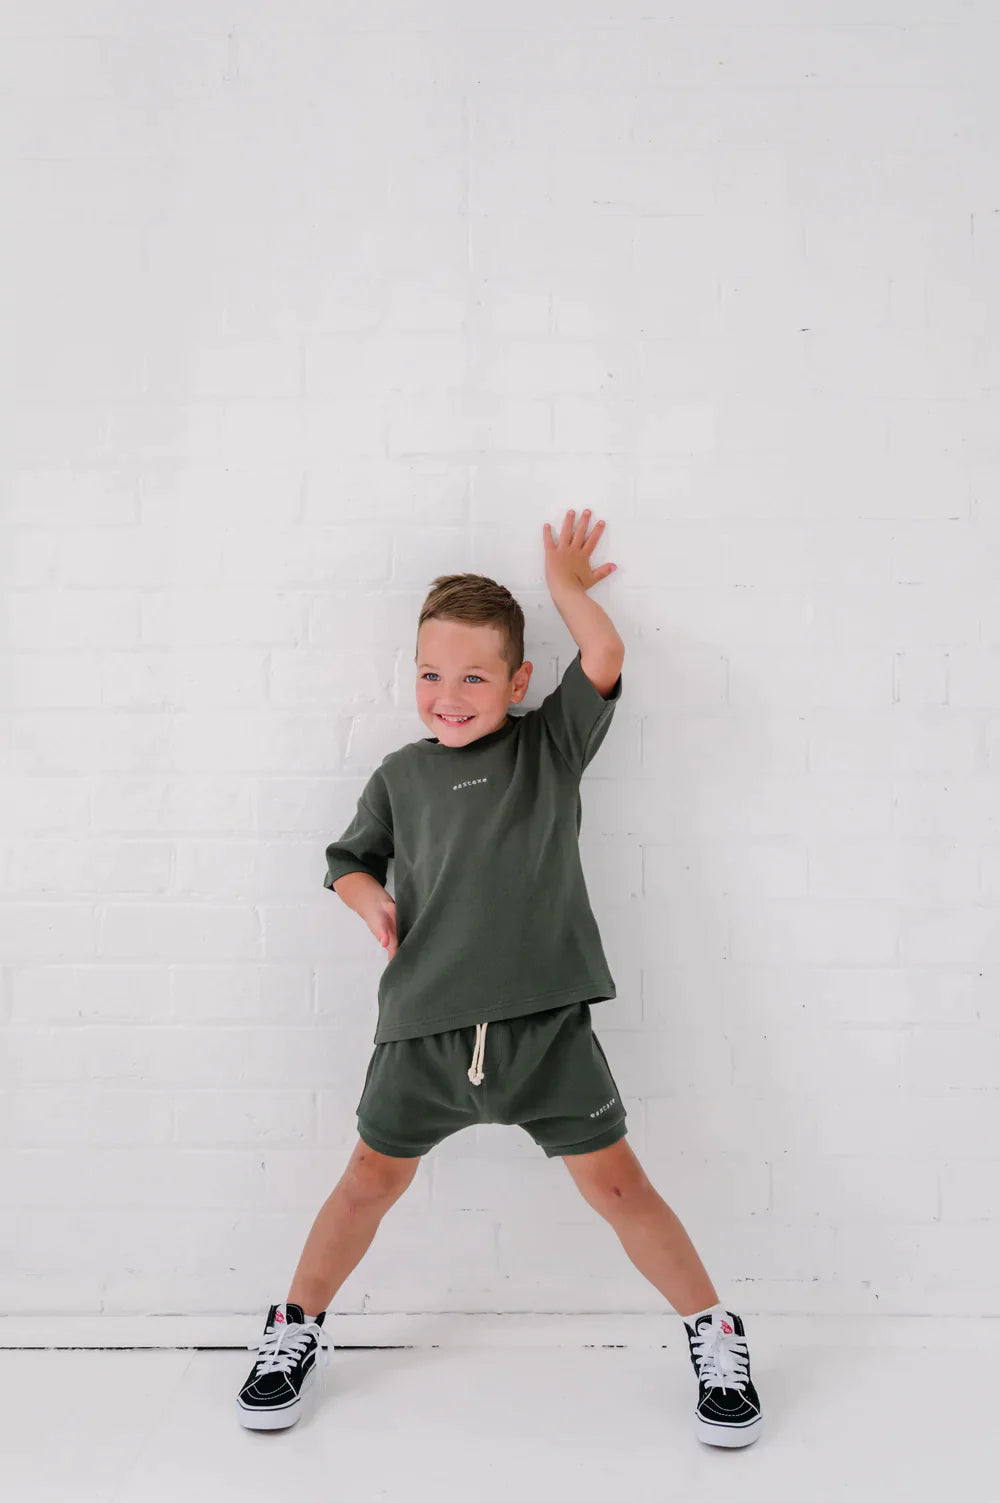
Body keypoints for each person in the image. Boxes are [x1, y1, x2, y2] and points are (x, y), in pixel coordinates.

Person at [237, 510, 762, 1447]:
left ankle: (714, 1332)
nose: (449, 695)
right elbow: (348, 859)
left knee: (620, 1188)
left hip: (545, 1029)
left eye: (475, 676)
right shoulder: (400, 776)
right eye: (431, 674)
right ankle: (294, 1327)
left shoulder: (547, 747)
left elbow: (604, 654)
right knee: (365, 1181)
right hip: (423, 1028)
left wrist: (565, 589)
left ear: (517, 682)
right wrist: (369, 899)